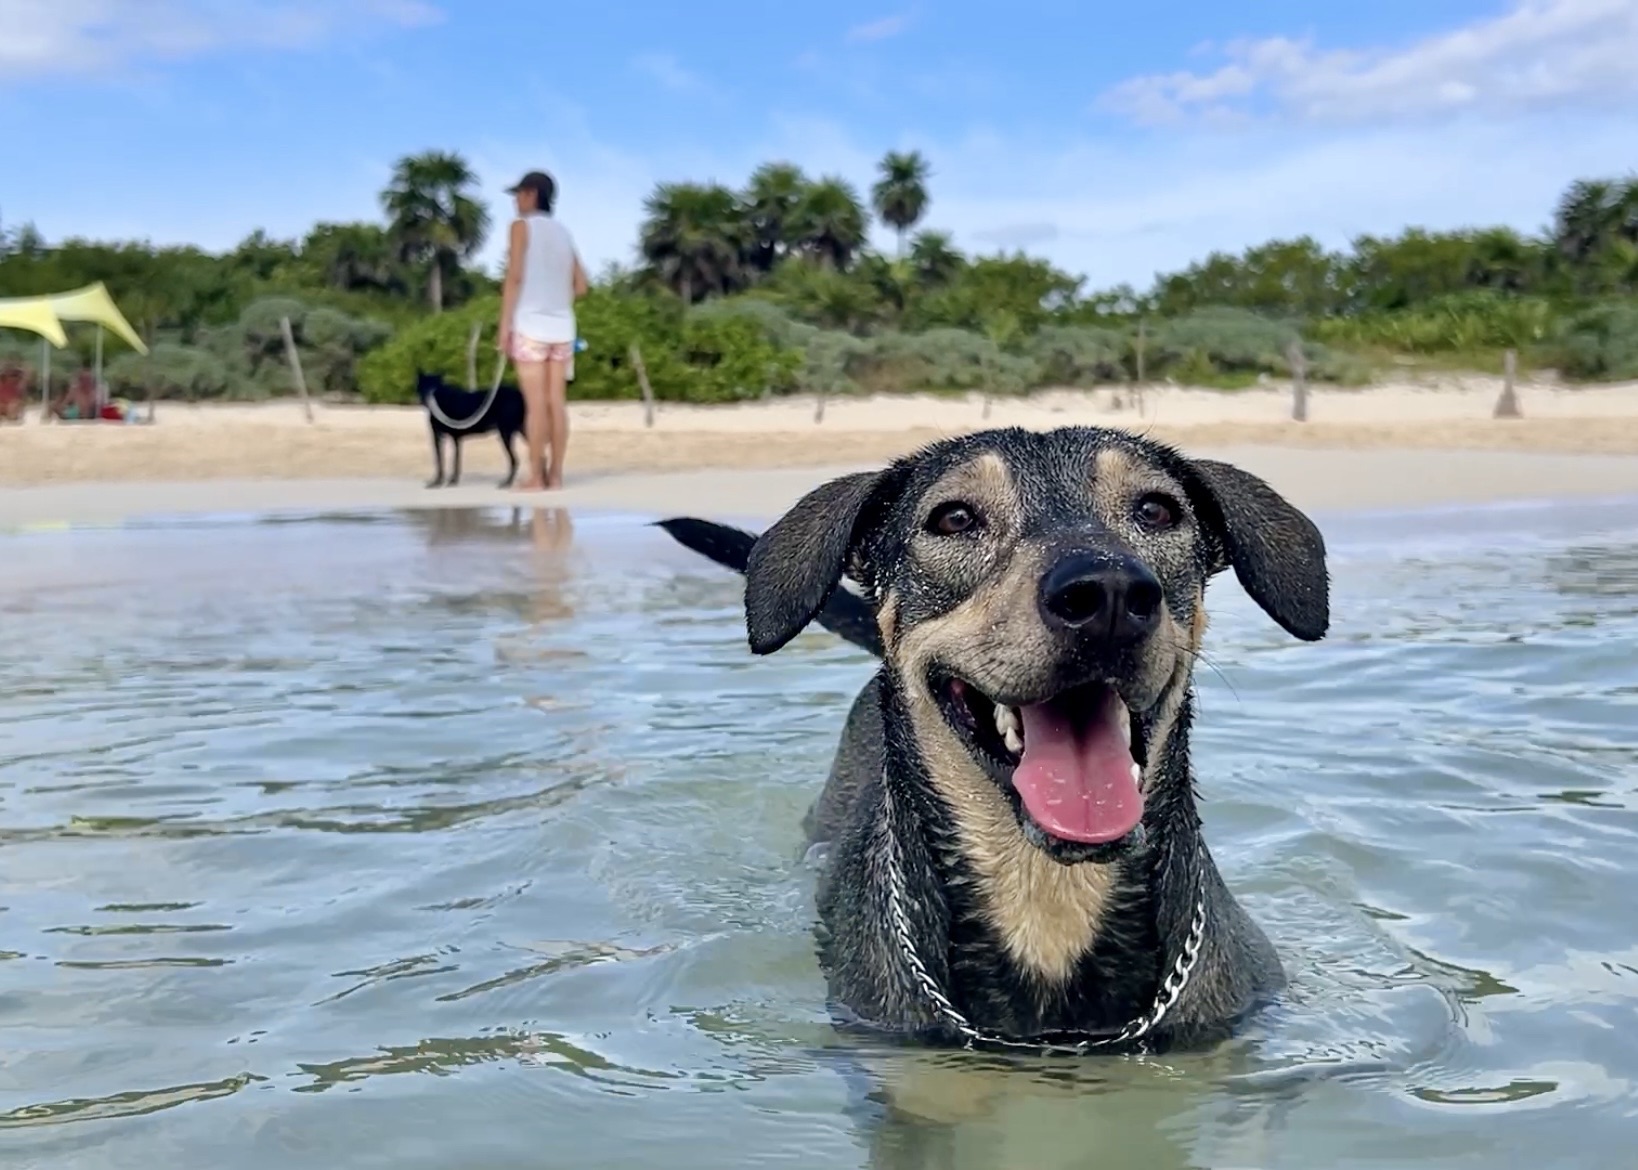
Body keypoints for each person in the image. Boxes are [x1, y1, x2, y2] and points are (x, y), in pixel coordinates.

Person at [498, 169, 587, 491]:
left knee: (535, 406)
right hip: (562, 326)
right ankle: (557, 475)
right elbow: (581, 285)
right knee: (556, 403)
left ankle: (536, 476)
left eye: (519, 194)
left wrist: (505, 324)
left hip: (530, 324)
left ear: (532, 194)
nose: (515, 201)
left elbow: (515, 276)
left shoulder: (520, 227)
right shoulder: (563, 232)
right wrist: (555, 297)